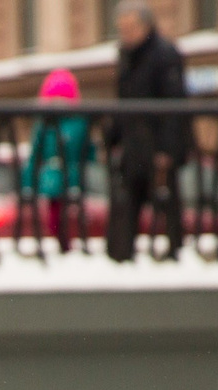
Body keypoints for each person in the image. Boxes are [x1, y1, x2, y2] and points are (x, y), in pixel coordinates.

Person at [107, 0, 191, 262]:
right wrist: (114, 138)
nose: (126, 34)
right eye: (122, 29)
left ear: (145, 26)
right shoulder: (126, 56)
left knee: (165, 201)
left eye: (130, 28)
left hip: (156, 144)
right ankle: (122, 256)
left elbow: (174, 105)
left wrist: (167, 148)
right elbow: (123, 102)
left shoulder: (163, 55)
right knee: (127, 203)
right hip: (134, 145)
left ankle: (173, 252)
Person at [31, 67, 94, 248]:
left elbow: (88, 150)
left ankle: (71, 242)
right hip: (54, 176)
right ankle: (62, 242)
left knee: (73, 213)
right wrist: (29, 181)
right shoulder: (44, 124)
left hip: (73, 175)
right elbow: (35, 154)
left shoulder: (78, 122)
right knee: (56, 214)